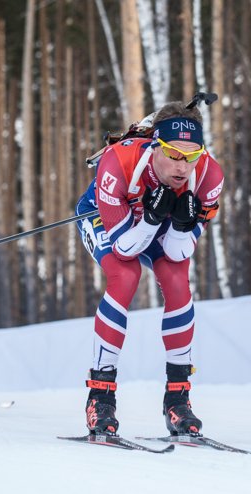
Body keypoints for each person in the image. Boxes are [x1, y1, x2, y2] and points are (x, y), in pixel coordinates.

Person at [75, 101, 224, 436]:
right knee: (125, 276)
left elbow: (176, 253)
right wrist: (151, 220)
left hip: (157, 224)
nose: (183, 166)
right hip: (108, 218)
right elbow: (125, 249)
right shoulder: (119, 162)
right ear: (155, 145)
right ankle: (100, 397)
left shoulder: (209, 176)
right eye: (173, 154)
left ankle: (178, 399)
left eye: (192, 155)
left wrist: (183, 226)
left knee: (176, 281)